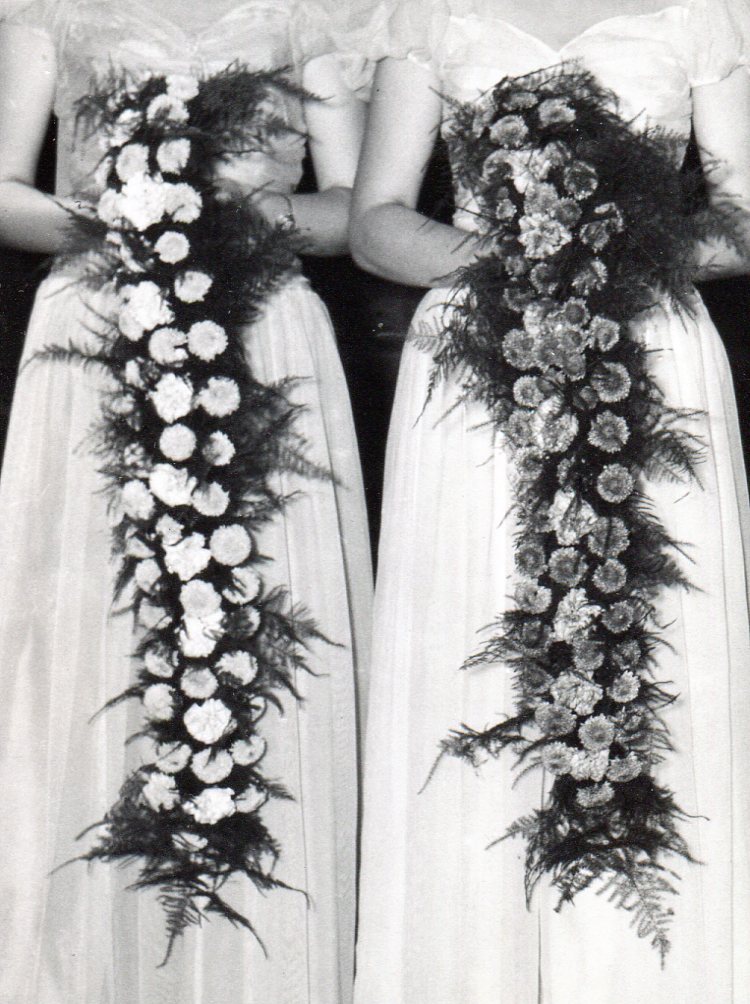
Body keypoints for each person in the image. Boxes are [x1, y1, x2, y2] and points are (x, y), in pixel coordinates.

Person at [349, 0, 750, 1001]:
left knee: (649, 642)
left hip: (644, 352)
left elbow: (741, 217)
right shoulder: (429, 14)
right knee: (479, 650)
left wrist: (607, 260)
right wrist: (523, 266)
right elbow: (376, 220)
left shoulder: (705, 14)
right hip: (484, 365)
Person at [0, 1, 372, 1001]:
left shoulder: (312, 14)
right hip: (97, 328)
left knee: (259, 634)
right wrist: (128, 220)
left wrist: (225, 223)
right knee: (93, 636)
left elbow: (350, 204)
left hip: (257, 324)